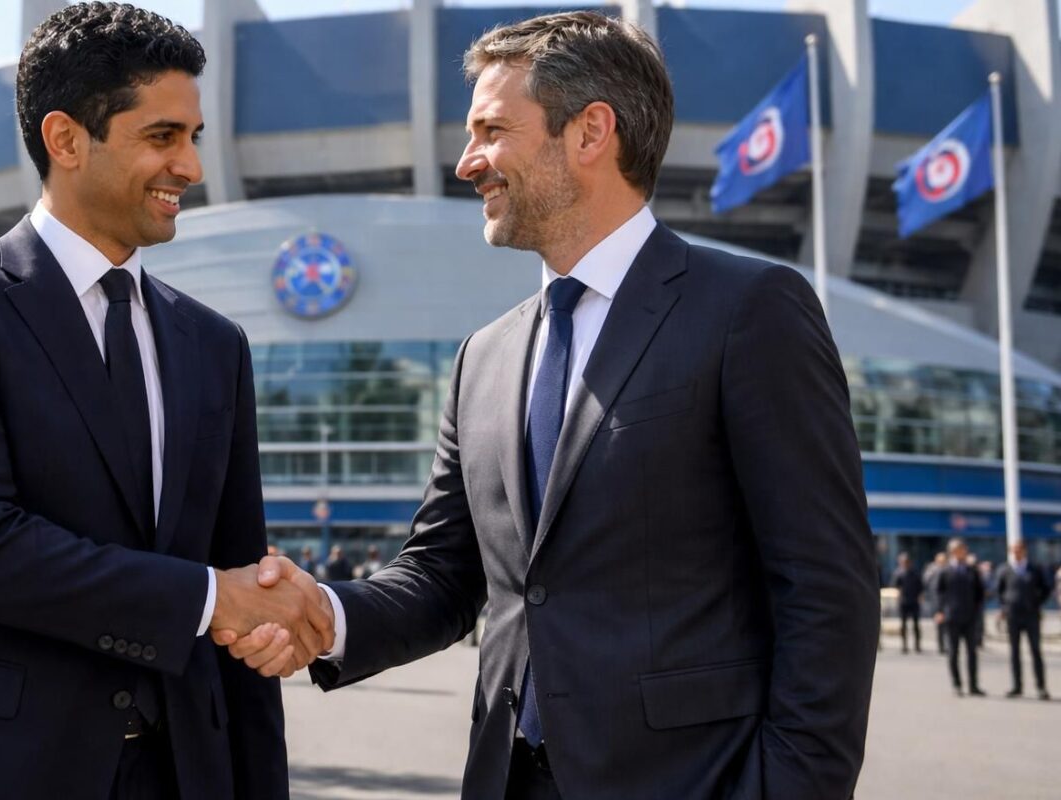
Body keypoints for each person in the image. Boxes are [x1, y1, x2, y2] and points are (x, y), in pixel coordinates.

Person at [220, 11, 878, 799]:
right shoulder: (484, 357)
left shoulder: (749, 310)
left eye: (492, 131)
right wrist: (325, 613)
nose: (468, 162)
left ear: (591, 131)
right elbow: (443, 573)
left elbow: (826, 589)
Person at [0, 5, 326, 798]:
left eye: (193, 136)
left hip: (180, 774)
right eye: (162, 136)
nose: (191, 166)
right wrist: (211, 598)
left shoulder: (216, 345)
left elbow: (242, 580)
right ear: (67, 139)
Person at [996, 541, 1050, 700]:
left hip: (1031, 615)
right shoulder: (1005, 570)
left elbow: (1046, 588)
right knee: (1014, 652)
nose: (1017, 553)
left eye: (1019, 550)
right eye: (1014, 551)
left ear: (1025, 551)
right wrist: (1005, 607)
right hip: (1013, 616)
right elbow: (999, 591)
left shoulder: (1034, 569)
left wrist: (1036, 603)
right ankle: (1017, 686)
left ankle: (1041, 686)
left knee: (1035, 651)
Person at [932, 538, 986, 697]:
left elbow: (979, 593)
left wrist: (977, 611)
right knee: (953, 652)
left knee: (972, 652)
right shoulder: (945, 571)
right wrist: (940, 611)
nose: (962, 552)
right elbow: (939, 593)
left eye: (963, 549)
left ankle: (973, 685)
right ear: (952, 552)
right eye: (958, 550)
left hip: (970, 617)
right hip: (952, 617)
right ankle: (957, 684)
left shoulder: (972, 570)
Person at [892, 552, 924, 654]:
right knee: (903, 624)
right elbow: (895, 586)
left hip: (914, 601)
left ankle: (917, 645)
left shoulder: (915, 573)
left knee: (916, 624)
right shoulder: (898, 573)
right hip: (903, 601)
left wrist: (920, 596)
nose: (905, 563)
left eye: (906, 561)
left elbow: (920, 586)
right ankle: (904, 645)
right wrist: (898, 595)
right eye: (903, 561)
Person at [924, 551, 948, 654]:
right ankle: (941, 646)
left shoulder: (948, 570)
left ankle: (947, 645)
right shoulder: (932, 571)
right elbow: (927, 583)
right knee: (940, 625)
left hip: (948, 603)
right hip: (937, 602)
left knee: (948, 626)